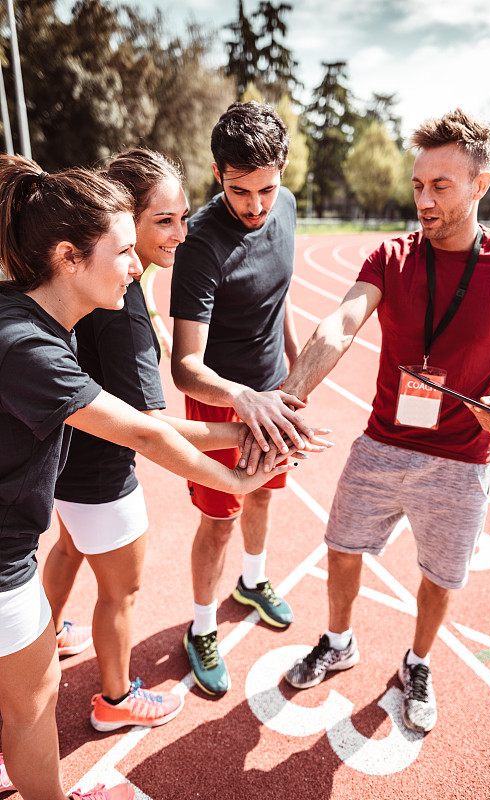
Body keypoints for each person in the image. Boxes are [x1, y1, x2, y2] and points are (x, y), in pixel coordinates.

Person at [0, 154, 300, 800]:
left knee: (28, 690)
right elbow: (143, 429)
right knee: (30, 705)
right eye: (127, 249)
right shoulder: (34, 346)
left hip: (17, 550)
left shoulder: (24, 318)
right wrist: (241, 476)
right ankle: (88, 733)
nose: (139, 267)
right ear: (68, 258)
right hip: (4, 562)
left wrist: (241, 434)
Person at [277, 109, 490, 734]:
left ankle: (418, 661)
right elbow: (341, 323)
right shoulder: (390, 256)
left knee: (441, 576)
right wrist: (289, 399)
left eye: (440, 186)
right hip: (383, 443)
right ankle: (339, 641)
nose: (423, 199)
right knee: (341, 550)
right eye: (418, 185)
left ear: (480, 185)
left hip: (463, 456)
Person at [170, 101, 316, 697]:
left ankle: (253, 583)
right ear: (216, 172)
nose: (256, 206)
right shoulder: (199, 244)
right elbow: (184, 367)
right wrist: (244, 399)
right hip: (219, 403)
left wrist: (292, 379)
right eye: (239, 191)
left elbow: (276, 296)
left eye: (266, 188)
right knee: (219, 519)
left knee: (263, 500)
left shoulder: (286, 206)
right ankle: (200, 628)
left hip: (274, 393)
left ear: (283, 172)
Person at [42, 148, 189, 732]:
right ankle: (115, 699)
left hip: (64, 460)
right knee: (121, 592)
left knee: (69, 547)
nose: (180, 233)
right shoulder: (121, 300)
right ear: (128, 218)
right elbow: (152, 426)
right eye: (164, 221)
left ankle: (48, 633)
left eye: (184, 216)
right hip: (103, 473)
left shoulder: (96, 280)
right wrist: (241, 440)